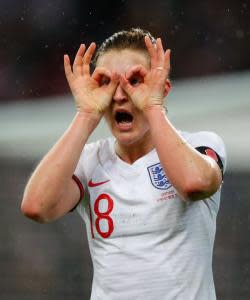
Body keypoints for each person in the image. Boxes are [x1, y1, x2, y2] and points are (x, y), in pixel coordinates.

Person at [21, 28, 226, 300]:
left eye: (136, 80)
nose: (119, 95)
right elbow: (37, 207)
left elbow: (194, 184)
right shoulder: (89, 162)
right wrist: (86, 114)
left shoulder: (201, 145)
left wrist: (153, 107)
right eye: (105, 82)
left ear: (163, 88)